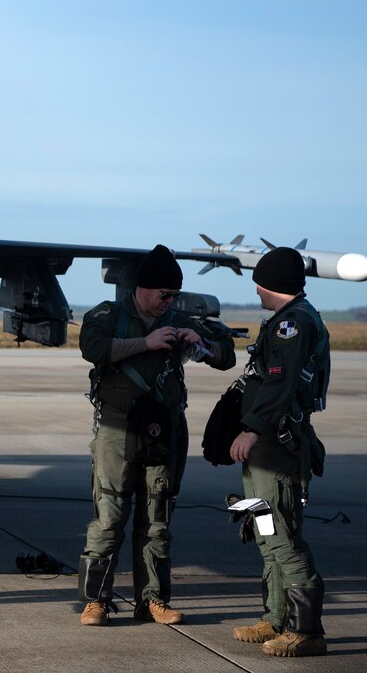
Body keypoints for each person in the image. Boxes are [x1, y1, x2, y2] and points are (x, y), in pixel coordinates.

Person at [77, 245, 236, 626]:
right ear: (142, 289)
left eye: (175, 295)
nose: (169, 302)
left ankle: (153, 600)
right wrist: (146, 344)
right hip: (118, 429)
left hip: (164, 429)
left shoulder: (181, 319)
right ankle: (95, 601)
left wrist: (201, 346)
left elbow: (226, 354)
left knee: (157, 517)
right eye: (164, 294)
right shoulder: (108, 315)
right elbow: (92, 348)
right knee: (110, 517)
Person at [228, 248, 329, 657]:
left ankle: (307, 632)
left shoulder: (294, 324)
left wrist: (252, 429)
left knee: (283, 535)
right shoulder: (289, 321)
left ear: (274, 285)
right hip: (268, 441)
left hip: (276, 443)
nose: (256, 289)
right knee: (266, 530)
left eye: (261, 282)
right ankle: (276, 618)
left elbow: (280, 384)